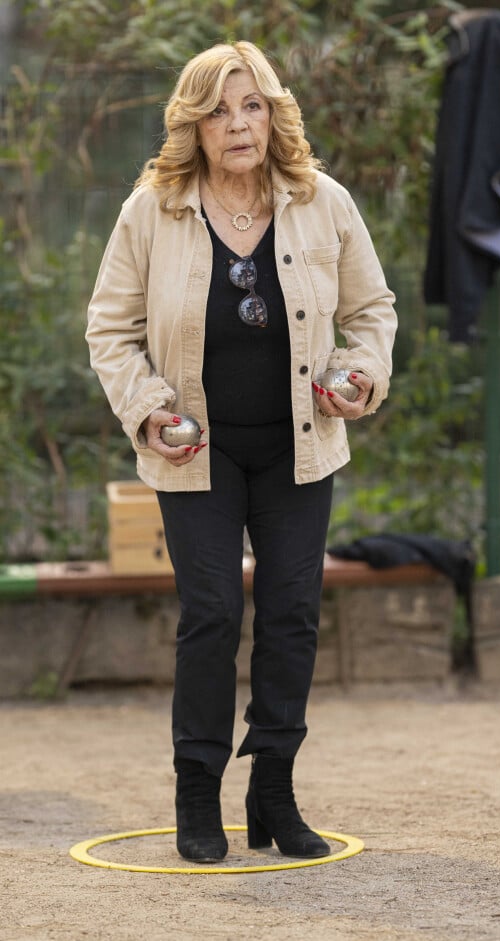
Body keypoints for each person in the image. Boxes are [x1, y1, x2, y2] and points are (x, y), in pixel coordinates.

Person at [86, 40, 397, 863]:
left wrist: (361, 375)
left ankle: (273, 789)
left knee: (292, 614)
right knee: (215, 612)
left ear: (273, 115)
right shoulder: (150, 209)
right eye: (219, 110)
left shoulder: (320, 200)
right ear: (194, 124)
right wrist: (148, 409)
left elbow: (373, 309)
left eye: (251, 105)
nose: (237, 124)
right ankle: (197, 793)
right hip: (197, 453)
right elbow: (109, 329)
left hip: (301, 442)